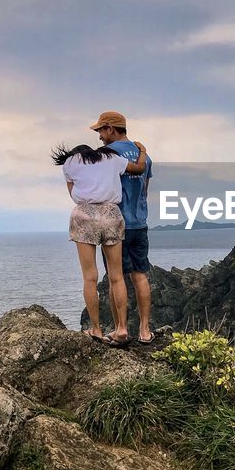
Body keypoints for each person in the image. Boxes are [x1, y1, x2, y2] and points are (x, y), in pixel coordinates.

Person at [51, 131, 148, 346]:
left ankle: (95, 329)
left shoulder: (70, 163)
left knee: (89, 277)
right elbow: (140, 168)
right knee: (117, 277)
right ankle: (122, 329)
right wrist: (142, 151)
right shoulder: (111, 158)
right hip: (111, 214)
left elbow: (73, 193)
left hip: (84, 215)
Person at [92, 111, 155, 343]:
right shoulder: (144, 156)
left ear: (110, 128)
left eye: (100, 130)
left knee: (116, 278)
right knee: (140, 276)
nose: (99, 136)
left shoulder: (107, 154)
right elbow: (145, 190)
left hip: (115, 223)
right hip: (140, 223)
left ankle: (121, 329)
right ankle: (145, 331)